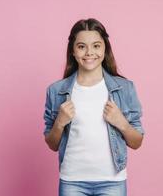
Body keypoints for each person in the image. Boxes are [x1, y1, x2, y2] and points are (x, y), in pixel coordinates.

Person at [43, 18, 145, 196]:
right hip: (72, 181)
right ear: (73, 51)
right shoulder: (56, 91)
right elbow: (52, 144)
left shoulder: (125, 88)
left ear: (105, 49)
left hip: (112, 182)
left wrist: (121, 122)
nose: (89, 52)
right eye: (82, 46)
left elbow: (137, 142)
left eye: (96, 46)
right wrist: (59, 122)